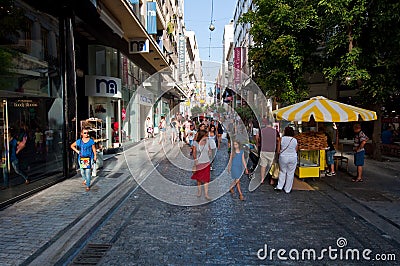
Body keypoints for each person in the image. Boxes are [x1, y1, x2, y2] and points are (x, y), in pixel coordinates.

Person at [275, 127, 298, 193]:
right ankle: (287, 189)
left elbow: (278, 150)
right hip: (293, 157)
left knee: (282, 171)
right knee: (290, 173)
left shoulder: (281, 139)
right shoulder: (295, 140)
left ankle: (280, 186)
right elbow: (296, 150)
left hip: (283, 157)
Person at [191, 130, 212, 200]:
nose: (207, 137)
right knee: (199, 178)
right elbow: (194, 152)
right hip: (199, 162)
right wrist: (195, 160)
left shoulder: (207, 142)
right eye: (205, 135)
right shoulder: (195, 143)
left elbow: (209, 149)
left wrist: (210, 152)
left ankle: (206, 194)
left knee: (206, 178)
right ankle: (199, 191)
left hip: (206, 162)